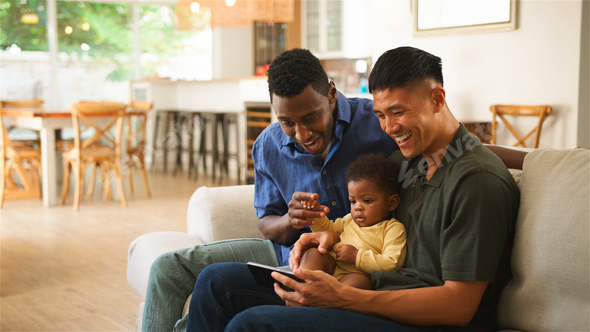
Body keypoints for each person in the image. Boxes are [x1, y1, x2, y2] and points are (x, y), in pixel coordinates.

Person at [185, 46, 520, 332]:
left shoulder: (476, 182)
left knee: (253, 324)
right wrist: (327, 236)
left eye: (398, 112)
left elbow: (458, 307)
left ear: (437, 99)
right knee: (216, 282)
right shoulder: (407, 162)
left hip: (422, 321)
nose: (389, 127)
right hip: (371, 291)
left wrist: (344, 297)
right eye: (381, 115)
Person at [141, 48, 398, 332]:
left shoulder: (378, 125)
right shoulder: (268, 145)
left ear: (332, 95)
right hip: (286, 252)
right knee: (167, 268)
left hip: (352, 257)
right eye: (288, 122)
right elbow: (266, 224)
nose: (302, 134)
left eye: (311, 118)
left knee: (207, 311)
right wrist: (290, 220)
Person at [299, 154, 406, 290]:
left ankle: (328, 302)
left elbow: (392, 263)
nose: (357, 207)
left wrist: (357, 256)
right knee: (314, 254)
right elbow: (327, 229)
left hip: (357, 273)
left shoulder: (392, 228)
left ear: (392, 203)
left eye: (367, 201)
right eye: (353, 201)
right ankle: (304, 287)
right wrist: (316, 216)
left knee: (360, 282)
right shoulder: (349, 220)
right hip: (332, 265)